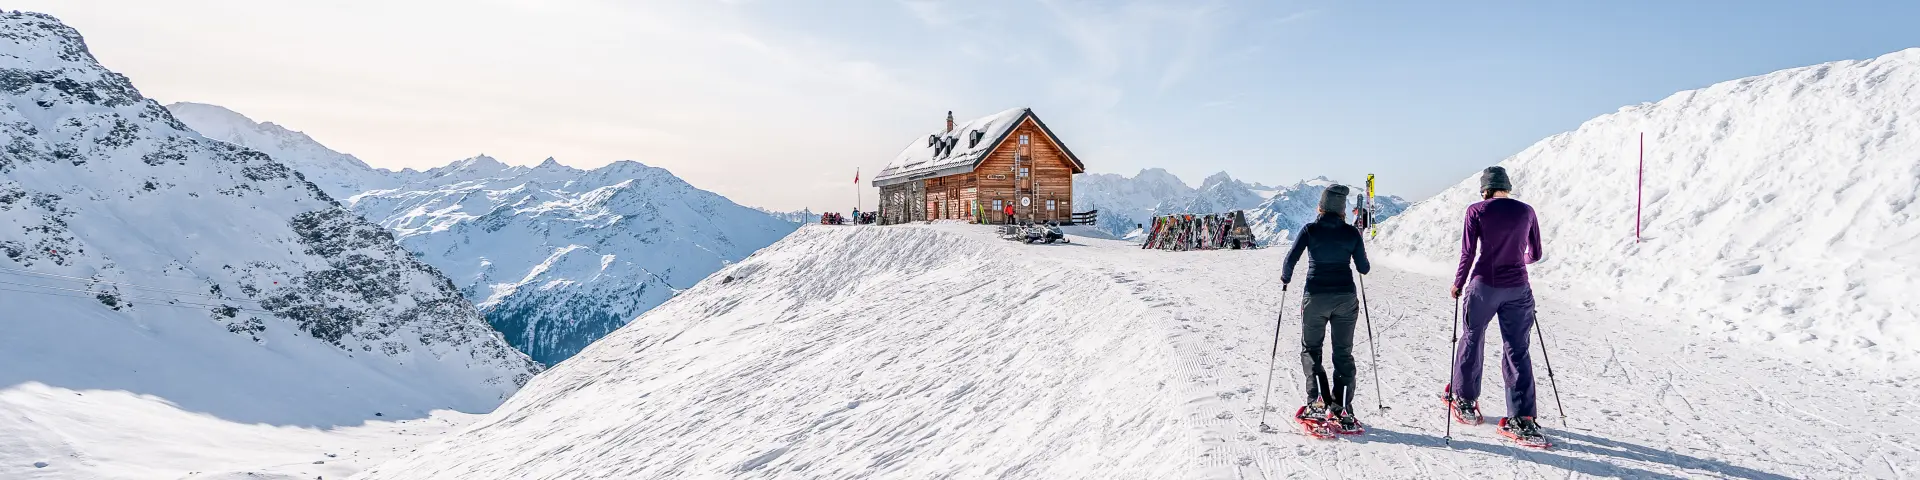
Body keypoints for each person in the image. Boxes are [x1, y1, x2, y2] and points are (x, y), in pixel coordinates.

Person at [1444, 165, 1549, 446]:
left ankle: (1464, 400)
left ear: (1485, 190)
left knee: (1472, 337)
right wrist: (1516, 261)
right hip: (1518, 289)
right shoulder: (1526, 211)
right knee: (1517, 348)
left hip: (1484, 287)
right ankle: (1522, 418)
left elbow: (1468, 253)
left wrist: (1458, 283)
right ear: (1507, 187)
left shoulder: (1476, 210)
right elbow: (1535, 253)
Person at [1280, 184, 1371, 434]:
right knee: (1343, 353)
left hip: (1316, 296)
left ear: (1321, 207)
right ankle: (1341, 407)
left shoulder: (1311, 230)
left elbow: (1290, 260)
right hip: (1345, 298)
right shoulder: (1352, 233)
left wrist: (1285, 278)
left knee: (1311, 349)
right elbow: (1364, 268)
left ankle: (1318, 401)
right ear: (1342, 209)